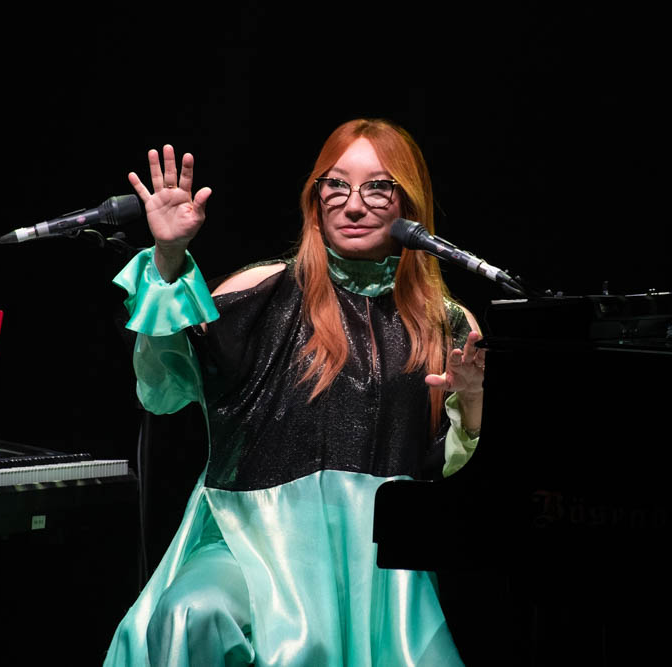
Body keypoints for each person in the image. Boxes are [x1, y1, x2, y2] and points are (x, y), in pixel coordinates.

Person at [103, 119, 484, 666]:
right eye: (337, 185)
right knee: (193, 612)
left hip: (378, 573)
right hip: (252, 546)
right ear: (315, 197)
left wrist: (472, 405)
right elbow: (163, 390)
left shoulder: (446, 325)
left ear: (409, 203)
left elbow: (455, 481)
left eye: (378, 187)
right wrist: (168, 259)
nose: (354, 205)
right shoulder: (259, 291)